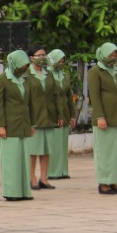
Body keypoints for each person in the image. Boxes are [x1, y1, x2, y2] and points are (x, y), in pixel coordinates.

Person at [88, 42, 117, 195]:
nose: (113, 57)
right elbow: (94, 96)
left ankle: (115, 181)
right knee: (105, 151)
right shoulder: (95, 71)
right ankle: (104, 182)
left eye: (115, 54)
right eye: (110, 54)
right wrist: (99, 116)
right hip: (104, 116)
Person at [0, 49, 34, 201]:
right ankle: (11, 191)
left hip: (23, 124)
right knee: (11, 160)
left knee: (23, 160)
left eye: (25, 65)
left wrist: (32, 123)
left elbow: (30, 103)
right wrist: (0, 125)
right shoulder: (1, 80)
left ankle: (23, 191)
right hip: (9, 126)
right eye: (21, 65)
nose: (23, 68)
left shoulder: (26, 79)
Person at [26, 45, 59, 190]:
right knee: (33, 150)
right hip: (34, 117)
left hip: (48, 116)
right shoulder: (27, 74)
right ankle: (31, 178)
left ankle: (44, 178)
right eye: (39, 55)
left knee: (46, 150)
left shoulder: (49, 74)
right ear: (31, 58)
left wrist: (59, 114)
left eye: (44, 55)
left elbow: (55, 95)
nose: (42, 58)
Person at [47, 49, 75, 180]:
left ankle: (63, 170)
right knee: (54, 142)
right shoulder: (47, 75)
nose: (61, 63)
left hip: (65, 110)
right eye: (59, 60)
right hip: (52, 111)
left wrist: (72, 115)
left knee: (63, 143)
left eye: (63, 60)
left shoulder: (64, 75)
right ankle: (53, 171)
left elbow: (69, 96)